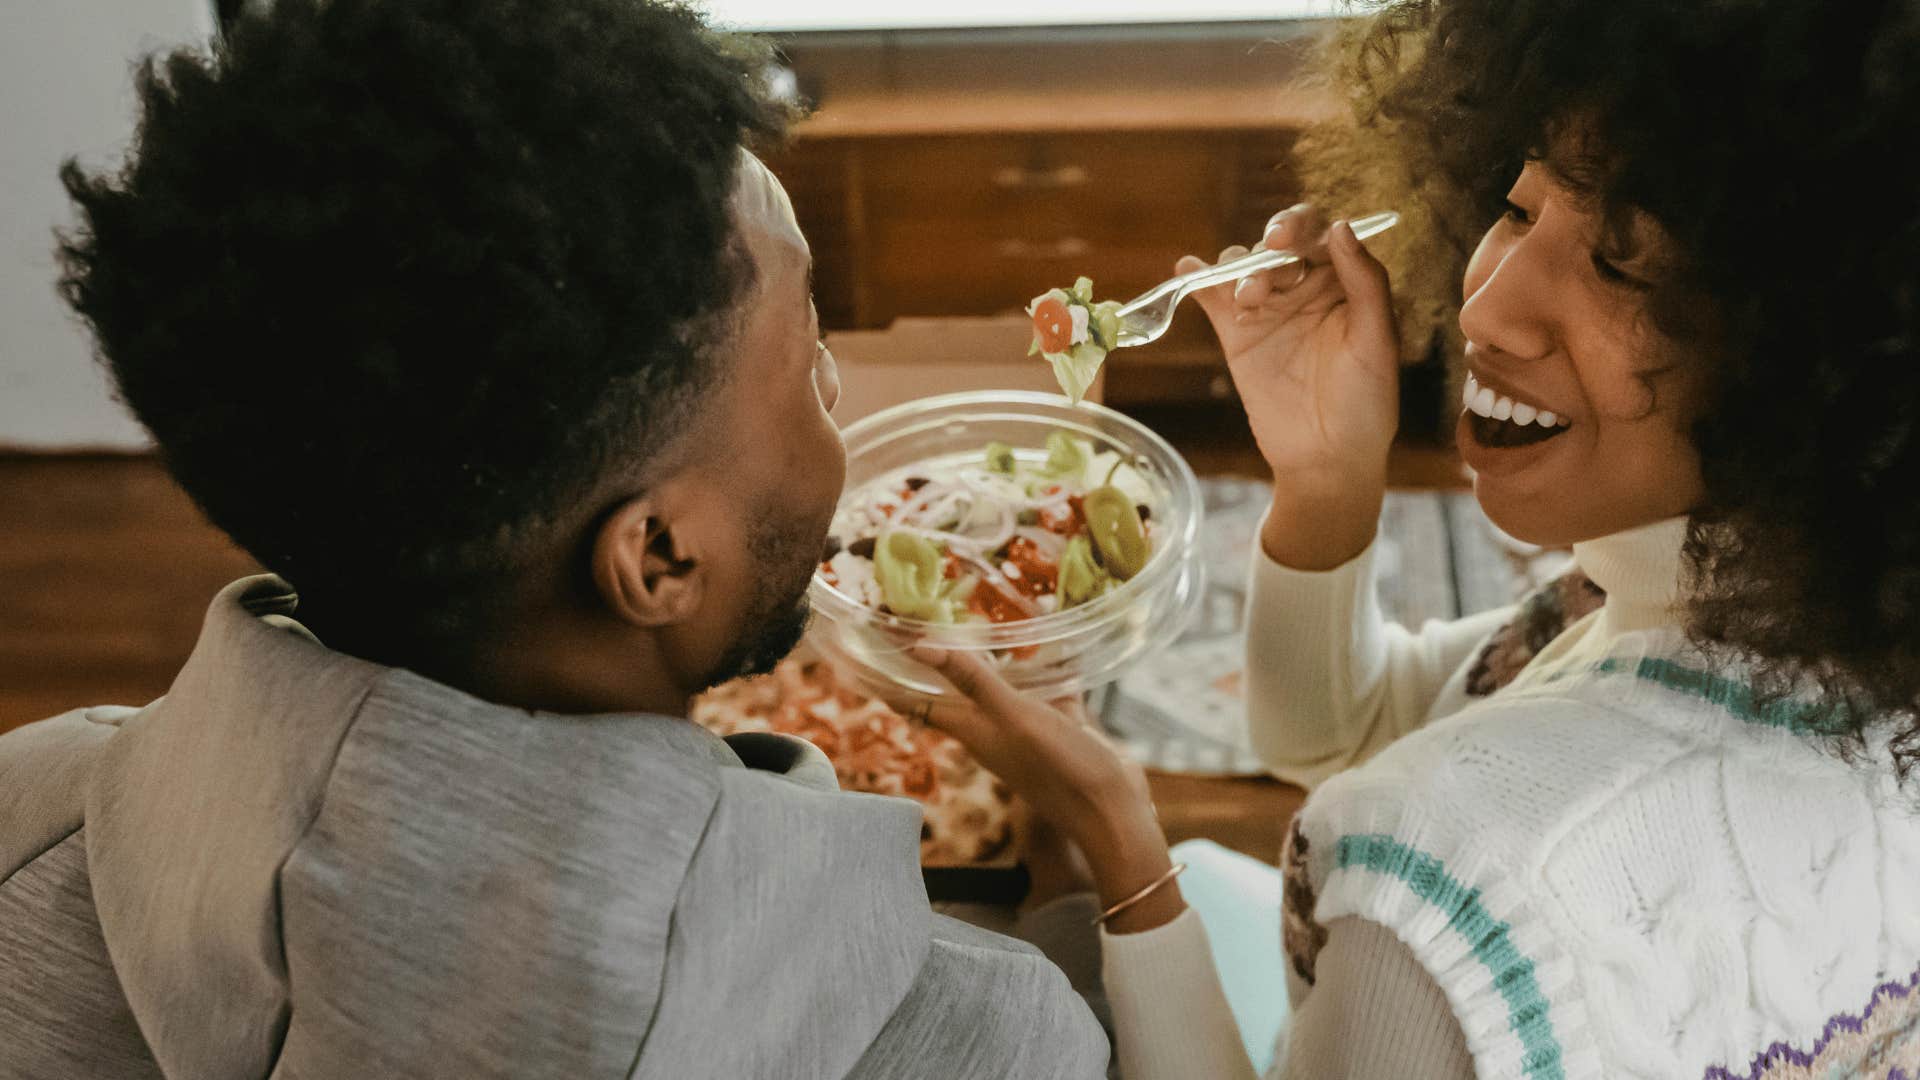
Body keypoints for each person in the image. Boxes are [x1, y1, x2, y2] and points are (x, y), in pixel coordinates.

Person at [0, 2, 1108, 1077]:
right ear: (660, 560)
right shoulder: (994, 1035)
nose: (834, 380)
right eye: (810, 349)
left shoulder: (27, 808)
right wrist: (1102, 877)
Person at [909, 0, 1920, 1076]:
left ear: (1817, 344)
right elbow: (1336, 727)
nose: (1485, 308)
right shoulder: (1746, 601)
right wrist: (1328, 478)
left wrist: (1115, 844)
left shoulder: (1440, 877)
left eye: (1621, 264)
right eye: (1524, 207)